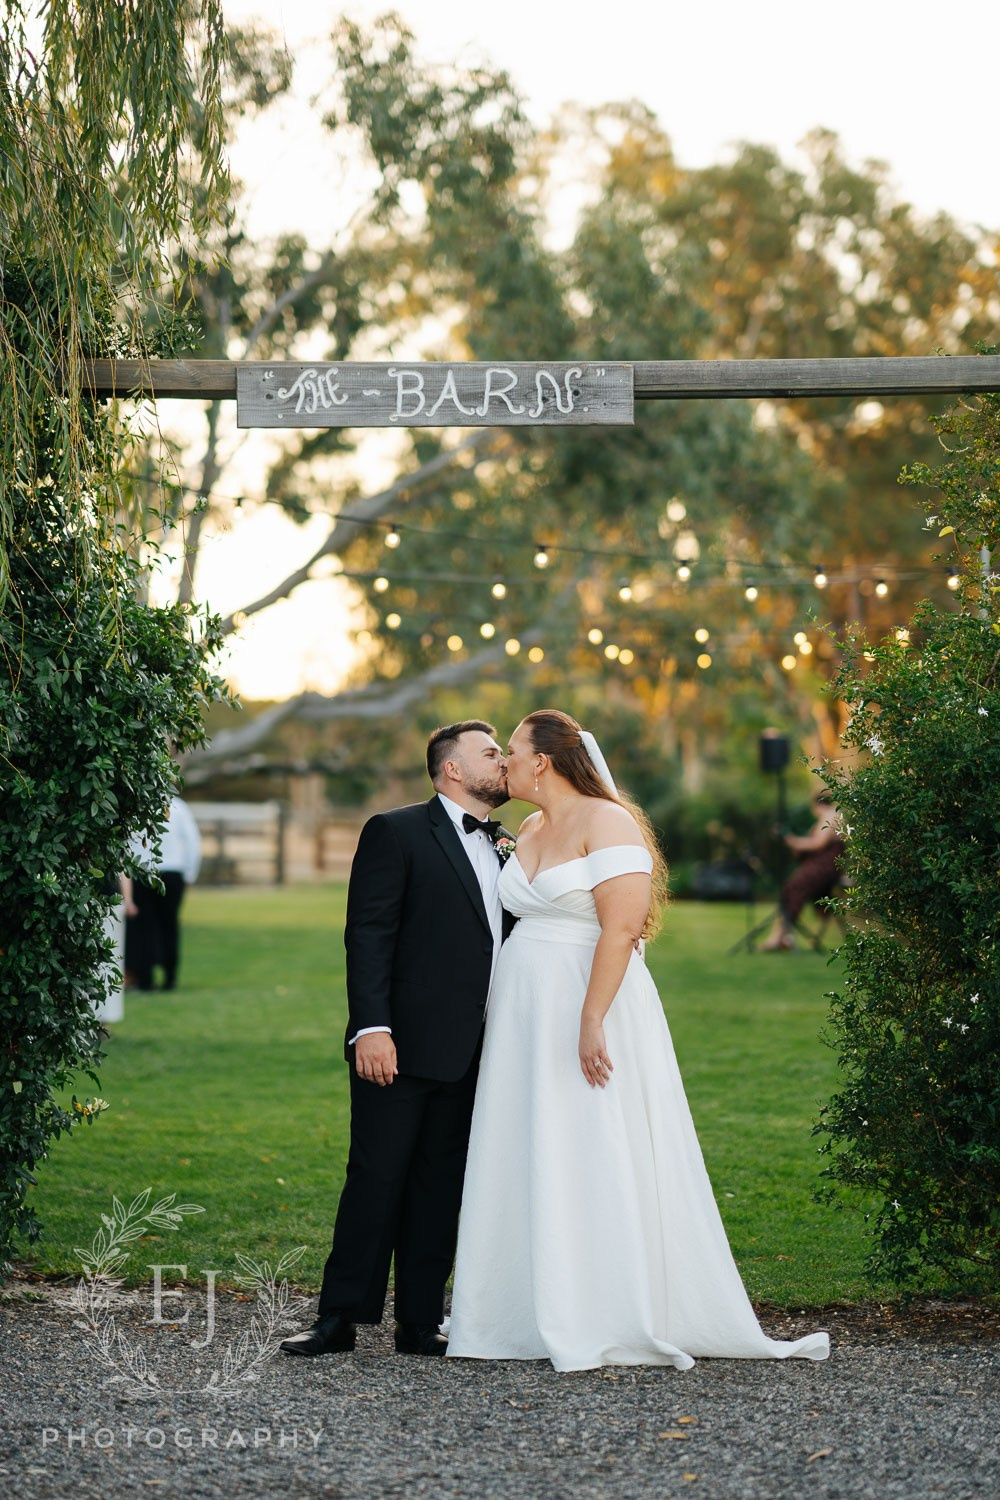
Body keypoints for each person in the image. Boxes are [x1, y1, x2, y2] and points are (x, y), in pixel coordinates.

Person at [447, 709, 829, 1371]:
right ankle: (520, 1309)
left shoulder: (609, 822)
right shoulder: (530, 829)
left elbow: (622, 928)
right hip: (523, 1012)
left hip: (590, 999)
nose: (503, 761)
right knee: (527, 1140)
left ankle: (605, 1305)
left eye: (511, 749)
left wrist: (591, 1018)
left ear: (543, 761)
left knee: (592, 1135)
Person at [281, 720, 512, 1359]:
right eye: (491, 753)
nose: (503, 761)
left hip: (475, 1049)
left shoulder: (507, 845)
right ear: (453, 770)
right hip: (399, 1046)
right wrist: (372, 1028)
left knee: (441, 1186)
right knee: (376, 1178)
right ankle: (338, 1319)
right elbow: (369, 934)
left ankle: (419, 1321)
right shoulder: (396, 831)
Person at [127, 795, 202, 991]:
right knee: (169, 924)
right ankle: (170, 977)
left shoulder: (135, 806)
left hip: (142, 871)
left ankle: (145, 978)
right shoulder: (178, 807)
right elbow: (193, 842)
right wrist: (190, 874)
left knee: (144, 925)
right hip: (172, 873)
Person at [760, 790, 846, 952]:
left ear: (816, 805)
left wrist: (791, 841)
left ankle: (781, 937)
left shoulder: (830, 815)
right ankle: (783, 937)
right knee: (791, 890)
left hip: (823, 869)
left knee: (792, 888)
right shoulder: (831, 815)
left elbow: (818, 843)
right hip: (825, 869)